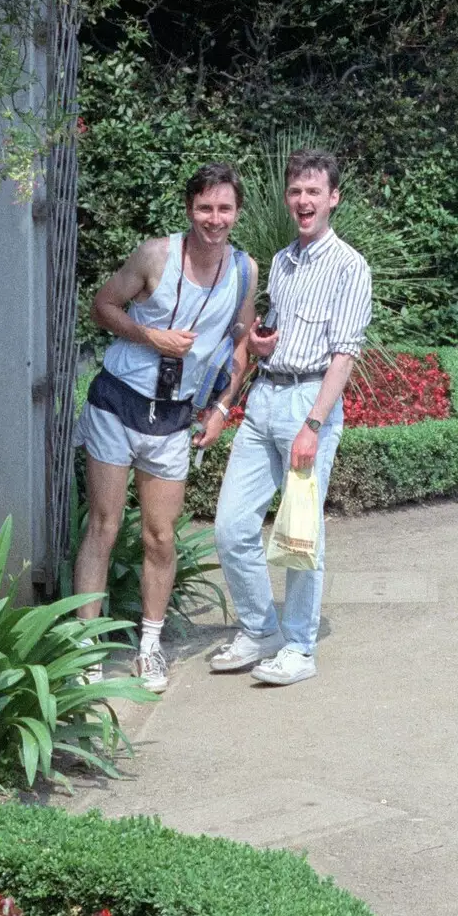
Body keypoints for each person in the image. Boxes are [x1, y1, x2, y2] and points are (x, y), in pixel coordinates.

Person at [74, 163, 257, 692]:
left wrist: (222, 407)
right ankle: (83, 649)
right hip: (118, 403)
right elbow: (102, 306)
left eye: (224, 209)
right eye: (205, 208)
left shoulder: (245, 270)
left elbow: (241, 341)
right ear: (189, 209)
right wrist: (150, 338)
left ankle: (148, 649)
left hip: (174, 416)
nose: (214, 219)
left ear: (236, 213)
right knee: (104, 526)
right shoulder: (156, 255)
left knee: (160, 535)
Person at [210, 149, 372, 686]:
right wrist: (258, 343)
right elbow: (270, 336)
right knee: (232, 526)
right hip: (264, 400)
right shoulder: (280, 261)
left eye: (314, 192)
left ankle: (300, 647)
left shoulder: (350, 267)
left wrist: (315, 423)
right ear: (288, 198)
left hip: (308, 404)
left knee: (302, 534)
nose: (304, 202)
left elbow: (344, 355)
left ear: (333, 198)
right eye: (296, 192)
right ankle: (261, 630)